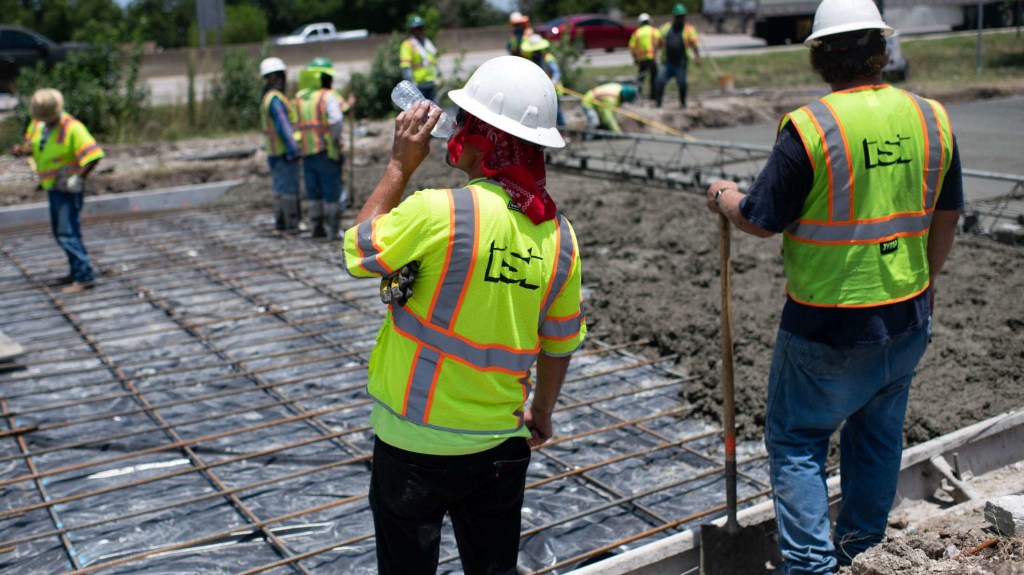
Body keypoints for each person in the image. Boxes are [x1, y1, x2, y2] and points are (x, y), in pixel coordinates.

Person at [704, 0, 962, 572]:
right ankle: (862, 554)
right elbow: (947, 216)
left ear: (819, 56)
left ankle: (813, 567)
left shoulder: (811, 127)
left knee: (797, 442)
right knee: (876, 436)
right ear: (880, 49)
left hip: (827, 326)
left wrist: (723, 195)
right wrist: (924, 283)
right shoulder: (930, 118)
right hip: (907, 315)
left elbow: (760, 218)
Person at [342, 55, 586, 575]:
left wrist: (398, 167)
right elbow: (560, 341)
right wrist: (541, 412)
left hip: (412, 442)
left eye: (466, 122)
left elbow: (358, 252)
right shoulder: (559, 236)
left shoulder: (439, 210)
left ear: (485, 139)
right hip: (499, 447)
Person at [10, 88, 104, 294]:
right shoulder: (38, 125)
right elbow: (35, 146)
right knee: (62, 232)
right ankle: (75, 272)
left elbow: (94, 154)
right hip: (52, 186)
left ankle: (84, 276)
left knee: (68, 232)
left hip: (67, 188)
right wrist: (22, 151)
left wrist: (79, 178)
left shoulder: (72, 128)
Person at [293, 57, 354, 240]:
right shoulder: (328, 96)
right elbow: (336, 119)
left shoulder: (300, 98)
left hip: (307, 152)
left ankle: (316, 228)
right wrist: (335, 139)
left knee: (313, 191)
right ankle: (333, 229)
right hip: (327, 151)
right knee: (331, 191)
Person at [259, 57, 302, 233]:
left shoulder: (267, 97)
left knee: (279, 189)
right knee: (288, 190)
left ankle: (281, 222)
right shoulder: (276, 99)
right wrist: (294, 148)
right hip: (284, 153)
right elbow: (283, 127)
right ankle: (291, 224)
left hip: (274, 153)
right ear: (277, 77)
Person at [654, 3, 701, 108]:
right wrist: (656, 50)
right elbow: (658, 42)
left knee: (682, 83)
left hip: (681, 62)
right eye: (679, 17)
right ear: (675, 17)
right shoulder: (666, 28)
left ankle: (683, 103)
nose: (681, 19)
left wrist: (697, 57)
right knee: (660, 81)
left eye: (683, 16)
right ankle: (658, 103)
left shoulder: (688, 29)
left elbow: (694, 44)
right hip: (668, 61)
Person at [520, 33, 566, 127]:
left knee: (557, 112)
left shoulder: (547, 58)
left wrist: (553, 82)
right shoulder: (531, 61)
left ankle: (563, 130)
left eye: (537, 50)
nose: (536, 53)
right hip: (540, 92)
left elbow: (556, 72)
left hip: (554, 90)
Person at [400, 15, 440, 103]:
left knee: (434, 109)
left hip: (431, 82)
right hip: (418, 84)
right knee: (420, 110)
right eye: (418, 28)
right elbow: (405, 66)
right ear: (412, 30)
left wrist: (437, 75)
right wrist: (411, 83)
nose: (421, 31)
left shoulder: (427, 44)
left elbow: (433, 62)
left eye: (422, 28)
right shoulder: (407, 45)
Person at [628, 13, 661, 99]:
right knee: (654, 77)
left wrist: (635, 57)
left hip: (641, 59)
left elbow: (631, 47)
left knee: (641, 78)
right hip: (651, 57)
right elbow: (660, 42)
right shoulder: (654, 31)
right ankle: (653, 95)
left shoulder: (637, 33)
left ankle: (638, 94)